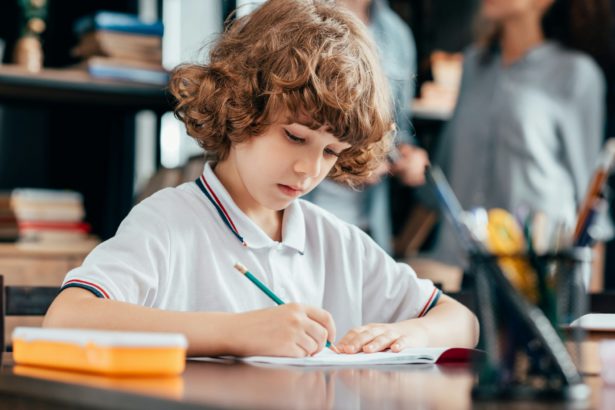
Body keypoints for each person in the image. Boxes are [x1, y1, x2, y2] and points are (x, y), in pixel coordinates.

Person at [43, 0, 478, 357]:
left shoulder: (336, 244)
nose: (310, 170)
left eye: (331, 151)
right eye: (294, 136)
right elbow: (67, 318)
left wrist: (408, 337)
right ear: (240, 104)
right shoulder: (168, 223)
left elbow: (462, 321)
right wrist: (236, 332)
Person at [425, 0, 612, 268]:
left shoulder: (576, 73)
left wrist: (587, 301)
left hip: (536, 272)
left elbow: (591, 201)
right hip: (462, 267)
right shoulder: (474, 64)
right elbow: (445, 173)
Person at [304, 0, 429, 254]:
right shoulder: (297, 18)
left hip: (368, 228)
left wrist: (408, 157)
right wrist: (348, 161)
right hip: (304, 218)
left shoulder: (397, 36)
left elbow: (398, 130)